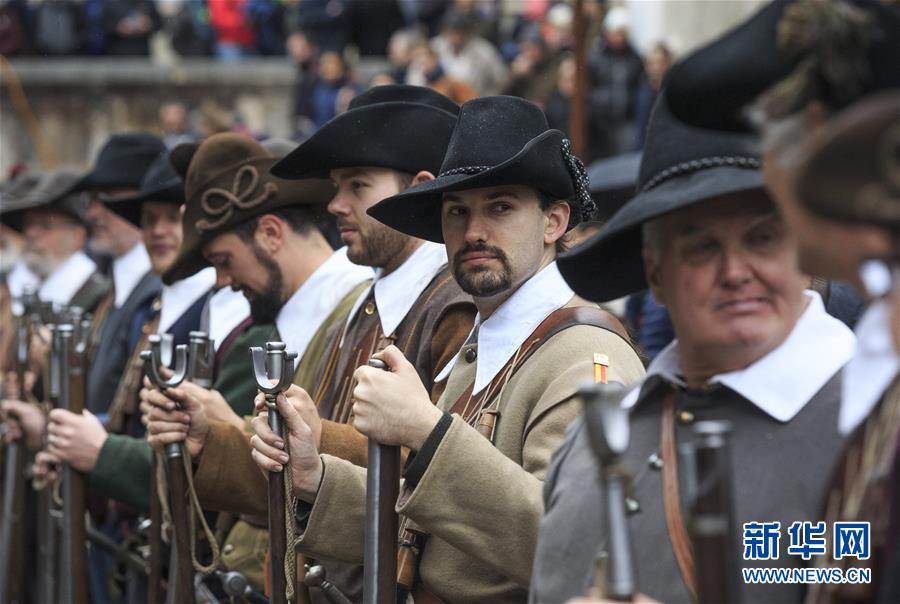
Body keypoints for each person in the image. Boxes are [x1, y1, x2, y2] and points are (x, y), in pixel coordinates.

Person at [249, 95, 645, 603]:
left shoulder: (585, 358)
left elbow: (578, 544)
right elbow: (430, 529)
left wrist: (426, 430)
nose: (473, 232)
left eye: (500, 207)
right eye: (457, 211)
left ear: (554, 222)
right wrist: (315, 477)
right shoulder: (492, 341)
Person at [144, 85, 478, 603]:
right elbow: (298, 472)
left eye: (357, 186)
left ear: (420, 190)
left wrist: (308, 438)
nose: (336, 204)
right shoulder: (355, 312)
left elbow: (436, 484)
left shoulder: (456, 310)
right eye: (338, 186)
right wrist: (210, 438)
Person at [530, 93, 857, 603]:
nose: (735, 272)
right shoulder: (592, 440)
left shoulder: (873, 431)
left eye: (762, 238)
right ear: (656, 275)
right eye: (702, 246)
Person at [0, 170, 110, 314]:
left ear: (77, 236)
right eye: (28, 224)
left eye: (45, 225)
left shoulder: (98, 297)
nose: (31, 234)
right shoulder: (23, 288)